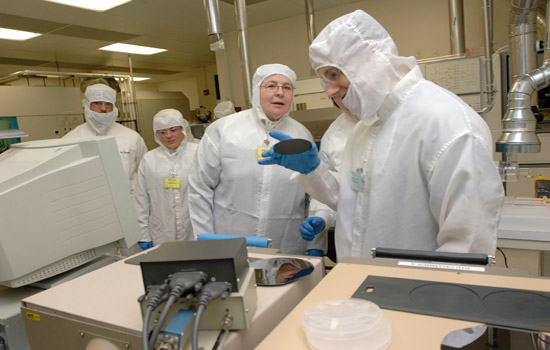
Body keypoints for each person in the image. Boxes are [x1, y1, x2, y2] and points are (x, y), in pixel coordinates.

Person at [260, 10, 504, 260]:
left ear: (367, 64)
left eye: (334, 75)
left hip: (412, 293)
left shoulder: (447, 124)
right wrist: (314, 172)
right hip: (360, 282)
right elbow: (356, 203)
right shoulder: (366, 128)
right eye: (324, 79)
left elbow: (468, 246)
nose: (329, 91)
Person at [188, 63, 319, 255]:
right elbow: (199, 189)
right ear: (257, 90)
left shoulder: (302, 135)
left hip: (285, 244)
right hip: (230, 242)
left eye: (287, 87)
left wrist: (316, 243)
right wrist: (205, 241)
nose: (280, 93)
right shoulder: (224, 130)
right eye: (271, 85)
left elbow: (314, 191)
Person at [64, 83, 147, 196]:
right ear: (88, 106)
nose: (103, 108)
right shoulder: (71, 139)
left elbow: (145, 174)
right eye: (97, 103)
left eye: (108, 104)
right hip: (89, 203)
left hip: (128, 202)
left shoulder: (132, 137)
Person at [135, 109, 198, 250]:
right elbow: (141, 199)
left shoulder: (198, 152)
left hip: (194, 229)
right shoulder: (149, 159)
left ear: (183, 128)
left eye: (173, 130)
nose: (168, 136)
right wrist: (143, 233)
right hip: (161, 232)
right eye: (162, 132)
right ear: (156, 135)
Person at [300, 108, 359, 259]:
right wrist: (322, 216)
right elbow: (328, 184)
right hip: (351, 239)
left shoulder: (404, 118)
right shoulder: (335, 134)